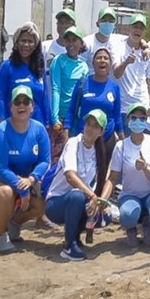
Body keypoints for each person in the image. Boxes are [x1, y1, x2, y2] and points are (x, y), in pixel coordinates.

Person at [0, 85, 51, 253]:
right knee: (5, 193)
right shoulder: (1, 132)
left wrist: (32, 179)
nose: (21, 105)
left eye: (26, 101)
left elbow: (45, 161)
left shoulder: (39, 129)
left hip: (24, 180)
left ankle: (15, 223)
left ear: (33, 107)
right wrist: (21, 188)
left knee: (43, 201)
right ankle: (1, 236)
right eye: (17, 102)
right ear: (11, 107)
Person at [100, 105, 150, 247]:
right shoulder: (121, 146)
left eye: (142, 118)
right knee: (127, 216)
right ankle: (131, 229)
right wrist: (103, 199)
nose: (138, 121)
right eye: (134, 117)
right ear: (128, 121)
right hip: (130, 194)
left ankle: (147, 225)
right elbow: (113, 178)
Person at [44, 109, 108, 261]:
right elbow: (70, 176)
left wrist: (99, 203)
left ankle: (75, 236)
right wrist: (92, 196)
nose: (90, 129)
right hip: (56, 203)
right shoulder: (73, 143)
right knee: (78, 196)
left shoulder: (99, 152)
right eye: (88, 124)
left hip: (77, 201)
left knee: (105, 215)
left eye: (95, 126)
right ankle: (68, 245)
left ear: (101, 132)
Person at [0, 22, 53, 147]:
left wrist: (48, 123)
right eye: (23, 41)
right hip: (14, 126)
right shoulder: (7, 67)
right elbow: (0, 97)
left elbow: (45, 97)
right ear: (16, 43)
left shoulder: (39, 68)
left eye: (30, 41)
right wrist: (1, 122)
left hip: (37, 124)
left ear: (36, 45)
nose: (26, 45)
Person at [70, 47, 123, 150]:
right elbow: (71, 110)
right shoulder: (83, 83)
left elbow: (117, 116)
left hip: (107, 140)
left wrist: (122, 139)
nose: (102, 60)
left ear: (110, 64)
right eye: (99, 58)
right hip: (83, 138)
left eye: (105, 58)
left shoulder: (114, 87)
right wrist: (66, 133)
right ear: (93, 63)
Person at [49, 26, 89, 160]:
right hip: (61, 117)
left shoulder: (84, 66)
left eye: (74, 40)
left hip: (77, 118)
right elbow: (56, 88)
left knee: (75, 157)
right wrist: (55, 118)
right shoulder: (58, 61)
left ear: (80, 43)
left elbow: (84, 94)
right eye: (68, 41)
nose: (71, 44)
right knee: (58, 158)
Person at [114, 13, 150, 117]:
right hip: (123, 107)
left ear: (144, 32)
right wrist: (126, 63)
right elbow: (116, 74)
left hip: (142, 107)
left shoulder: (148, 53)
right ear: (129, 29)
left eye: (141, 28)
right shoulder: (117, 46)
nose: (138, 30)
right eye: (135, 27)